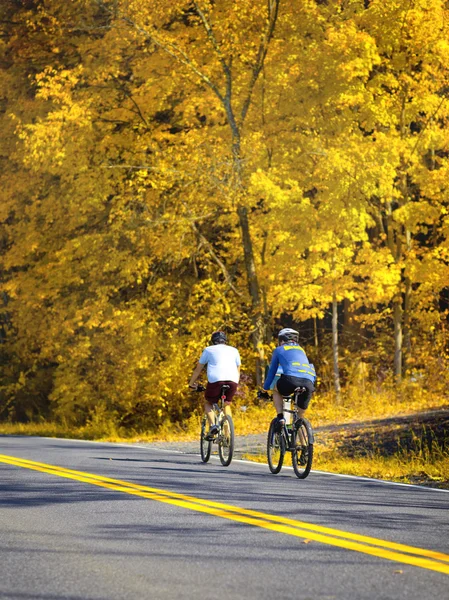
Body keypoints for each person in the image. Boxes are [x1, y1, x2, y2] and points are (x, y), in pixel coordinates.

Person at [189, 331, 241, 439]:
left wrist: (191, 384)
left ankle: (213, 426)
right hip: (233, 380)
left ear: (213, 341)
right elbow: (238, 370)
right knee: (226, 404)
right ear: (225, 341)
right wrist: (235, 383)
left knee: (209, 402)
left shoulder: (208, 350)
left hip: (216, 380)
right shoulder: (234, 350)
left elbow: (198, 370)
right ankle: (228, 435)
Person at [262, 328, 316, 429]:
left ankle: (280, 417)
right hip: (308, 383)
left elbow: (272, 371)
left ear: (281, 340)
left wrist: (265, 389)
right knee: (299, 420)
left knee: (276, 389)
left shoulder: (279, 350)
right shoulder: (301, 350)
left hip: (291, 380)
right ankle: (305, 444)